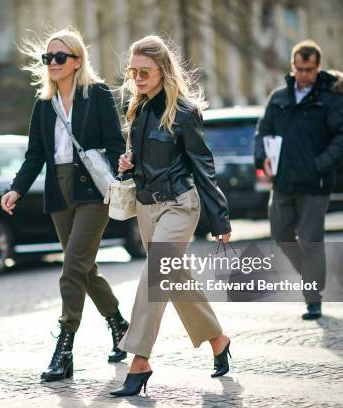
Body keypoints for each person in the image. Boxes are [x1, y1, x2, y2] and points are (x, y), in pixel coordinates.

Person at [0, 28, 129, 381]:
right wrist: (17, 189)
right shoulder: (43, 104)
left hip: (93, 192)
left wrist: (126, 176)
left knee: (72, 266)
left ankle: (64, 348)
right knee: (84, 268)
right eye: (48, 58)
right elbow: (35, 155)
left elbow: (116, 143)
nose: (52, 64)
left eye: (60, 57)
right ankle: (119, 324)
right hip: (59, 193)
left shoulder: (97, 94)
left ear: (77, 61)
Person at [110, 35, 232, 397]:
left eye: (144, 71)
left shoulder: (183, 112)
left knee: (153, 277)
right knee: (174, 281)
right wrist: (128, 165)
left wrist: (220, 219)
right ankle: (218, 340)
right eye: (133, 72)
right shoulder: (139, 109)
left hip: (180, 205)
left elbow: (203, 167)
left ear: (163, 70)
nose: (138, 78)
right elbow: (145, 164)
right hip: (147, 209)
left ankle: (138, 360)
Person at [254, 39, 343, 320]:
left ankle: (313, 297)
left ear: (317, 67)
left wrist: (320, 164)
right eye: (298, 69)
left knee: (311, 240)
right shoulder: (279, 97)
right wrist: (262, 158)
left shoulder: (331, 98)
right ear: (292, 67)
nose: (303, 75)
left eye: (309, 70)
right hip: (283, 180)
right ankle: (313, 277)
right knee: (280, 234)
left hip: (316, 183)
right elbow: (262, 132)